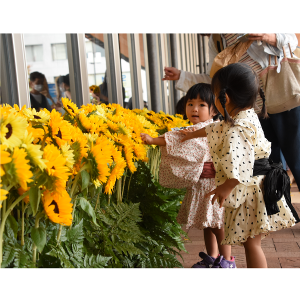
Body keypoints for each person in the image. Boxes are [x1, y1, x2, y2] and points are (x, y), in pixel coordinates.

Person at [180, 63, 299, 268]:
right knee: (252, 242)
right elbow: (215, 128)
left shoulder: (237, 128)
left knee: (252, 244)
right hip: (258, 186)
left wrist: (224, 188)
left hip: (250, 189)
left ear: (224, 98)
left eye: (215, 94)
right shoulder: (246, 116)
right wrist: (192, 134)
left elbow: (241, 168)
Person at [163, 33, 300, 190]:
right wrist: (182, 76)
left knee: (296, 161)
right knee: (268, 169)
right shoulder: (217, 40)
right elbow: (215, 79)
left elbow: (292, 40)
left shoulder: (240, 125)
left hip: (285, 99)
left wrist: (269, 36)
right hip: (255, 109)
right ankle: (276, 205)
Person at [141, 83, 236, 268]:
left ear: (214, 110)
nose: (194, 109)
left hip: (213, 185)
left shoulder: (216, 127)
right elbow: (174, 138)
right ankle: (213, 257)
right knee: (207, 224)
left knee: (217, 225)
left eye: (201, 105)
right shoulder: (190, 130)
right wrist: (153, 140)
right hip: (200, 185)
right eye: (190, 103)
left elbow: (174, 139)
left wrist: (153, 140)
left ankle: (227, 261)